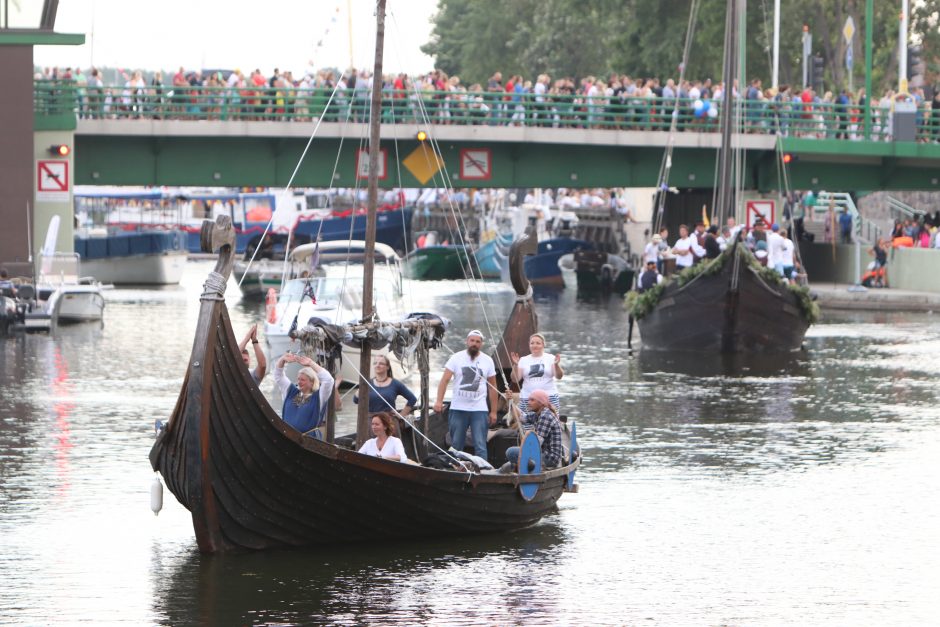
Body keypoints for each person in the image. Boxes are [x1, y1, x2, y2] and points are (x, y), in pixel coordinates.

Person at [433, 329, 498, 460]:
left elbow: (493, 387)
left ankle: (483, 471)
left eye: (478, 341)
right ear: (467, 341)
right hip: (458, 408)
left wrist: (494, 411)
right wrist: (439, 401)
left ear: (481, 344)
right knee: (456, 444)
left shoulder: (487, 360)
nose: (474, 343)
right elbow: (444, 381)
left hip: (479, 409)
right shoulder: (456, 358)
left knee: (480, 444)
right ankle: (456, 469)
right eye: (472, 340)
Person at [273, 352, 334, 438]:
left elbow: (328, 380)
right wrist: (282, 359)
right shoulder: (292, 393)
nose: (299, 382)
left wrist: (311, 363)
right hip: (287, 438)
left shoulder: (318, 397)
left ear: (312, 382)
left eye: (303, 380)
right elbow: (278, 376)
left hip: (309, 441)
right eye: (298, 379)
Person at [502, 389, 563, 471]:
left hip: (550, 458)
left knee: (511, 452)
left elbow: (536, 444)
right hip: (544, 453)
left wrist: (522, 449)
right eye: (529, 399)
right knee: (515, 452)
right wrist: (510, 401)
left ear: (541, 403)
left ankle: (532, 469)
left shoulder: (545, 416)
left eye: (532, 400)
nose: (528, 402)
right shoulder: (539, 413)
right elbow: (521, 417)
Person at [510, 332, 563, 412]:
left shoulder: (550, 358)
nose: (535, 345)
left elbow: (559, 376)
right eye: (532, 343)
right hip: (527, 397)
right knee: (527, 422)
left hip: (549, 396)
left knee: (548, 422)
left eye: (538, 343)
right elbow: (515, 379)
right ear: (529, 345)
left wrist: (556, 365)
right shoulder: (523, 360)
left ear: (543, 345)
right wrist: (515, 365)